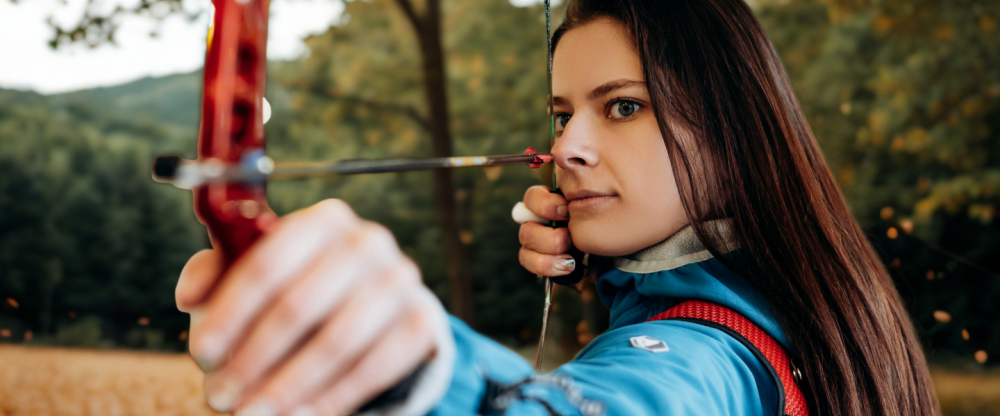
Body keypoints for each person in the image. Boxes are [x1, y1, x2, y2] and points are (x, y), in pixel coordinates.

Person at [175, 1, 941, 415]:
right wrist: (620, 274)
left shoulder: (713, 357)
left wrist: (420, 376)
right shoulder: (786, 311)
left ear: (736, 135)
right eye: (560, 112)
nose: (565, 147)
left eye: (623, 108)